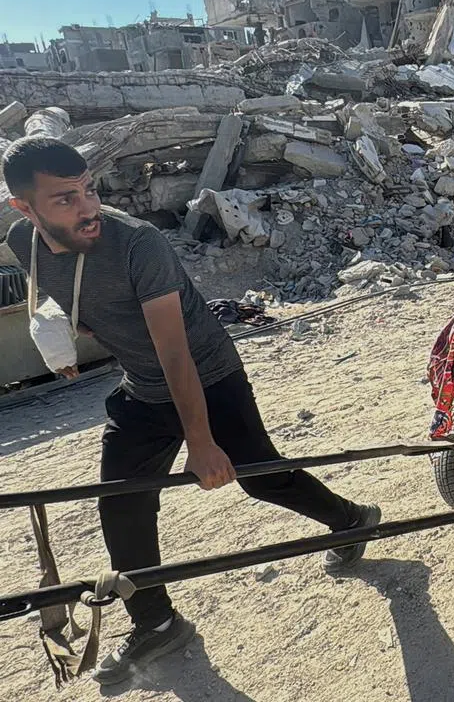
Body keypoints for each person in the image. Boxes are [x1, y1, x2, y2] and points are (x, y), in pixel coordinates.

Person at [2, 138, 381, 685]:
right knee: (122, 502)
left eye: (88, 190)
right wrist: (66, 336)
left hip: (208, 375)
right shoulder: (23, 242)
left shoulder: (138, 244)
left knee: (260, 477)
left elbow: (175, 352)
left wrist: (201, 443)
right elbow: (72, 298)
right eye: (64, 200)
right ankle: (155, 622)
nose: (87, 209)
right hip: (142, 387)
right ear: (25, 209)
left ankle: (349, 519)